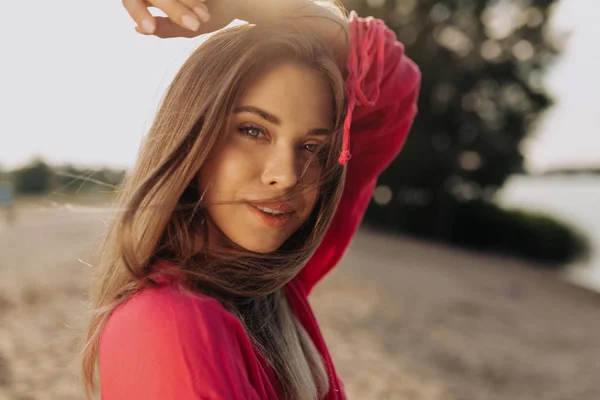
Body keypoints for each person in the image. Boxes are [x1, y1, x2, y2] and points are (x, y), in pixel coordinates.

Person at [80, 0, 420, 399]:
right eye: (254, 131)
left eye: (312, 146)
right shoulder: (172, 325)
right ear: (193, 135)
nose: (287, 176)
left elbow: (394, 86)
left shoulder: (270, 285)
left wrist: (259, 6)